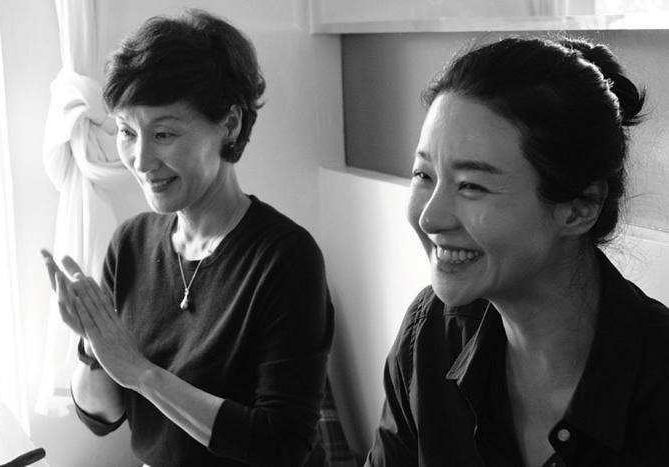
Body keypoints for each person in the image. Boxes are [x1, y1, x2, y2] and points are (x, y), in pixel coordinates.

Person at [41, 10, 333, 467]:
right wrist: (93, 345)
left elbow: (281, 446)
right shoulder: (131, 244)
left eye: (164, 133)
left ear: (230, 125)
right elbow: (103, 415)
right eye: (126, 132)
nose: (140, 159)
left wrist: (141, 373)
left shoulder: (284, 257)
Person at [365, 36, 669, 466]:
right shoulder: (429, 334)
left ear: (579, 208)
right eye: (423, 174)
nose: (430, 218)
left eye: (472, 185)